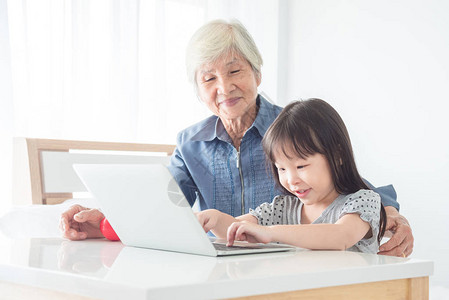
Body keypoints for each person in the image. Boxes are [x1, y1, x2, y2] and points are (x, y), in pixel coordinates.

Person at [59, 19, 413, 257]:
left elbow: (352, 190)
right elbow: (165, 211)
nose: (224, 88)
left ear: (257, 72)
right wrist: (107, 222)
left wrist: (391, 213)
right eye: (208, 78)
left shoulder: (289, 130)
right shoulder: (189, 143)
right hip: (225, 272)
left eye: (235, 71)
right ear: (198, 89)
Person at [196, 98, 386, 253]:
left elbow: (340, 236)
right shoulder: (283, 208)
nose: (291, 179)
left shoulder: (363, 201)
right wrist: (216, 219)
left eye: (301, 166)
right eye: (282, 169)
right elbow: (237, 230)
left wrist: (270, 232)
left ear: (337, 156)